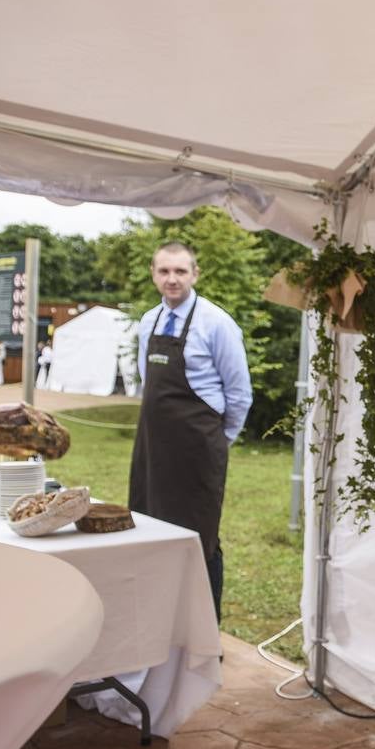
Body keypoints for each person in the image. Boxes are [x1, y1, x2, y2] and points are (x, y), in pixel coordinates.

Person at [129, 241, 252, 622]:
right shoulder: (148, 321)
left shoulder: (217, 323)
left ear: (195, 274)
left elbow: (239, 395)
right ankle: (159, 623)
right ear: (153, 273)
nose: (172, 279)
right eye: (164, 271)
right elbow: (147, 381)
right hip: (153, 447)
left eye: (180, 271)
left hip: (199, 448)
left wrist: (215, 440)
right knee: (148, 529)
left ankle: (203, 634)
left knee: (200, 539)